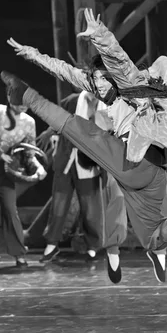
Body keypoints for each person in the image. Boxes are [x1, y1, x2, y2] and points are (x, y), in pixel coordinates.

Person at [1, 12, 167, 282]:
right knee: (150, 231)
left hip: (138, 161)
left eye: (103, 79)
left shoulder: (128, 81)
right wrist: (32, 53)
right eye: (95, 81)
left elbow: (119, 57)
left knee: (78, 130)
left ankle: (25, 93)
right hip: (131, 165)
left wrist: (98, 32)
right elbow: (63, 70)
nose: (99, 85)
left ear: (111, 76)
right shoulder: (94, 85)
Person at [39, 90, 127, 283]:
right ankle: (52, 244)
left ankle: (92, 246)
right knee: (59, 204)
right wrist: (48, 132)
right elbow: (56, 119)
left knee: (91, 208)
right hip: (66, 160)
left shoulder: (108, 108)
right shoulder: (72, 101)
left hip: (88, 164)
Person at [0, 89, 47, 272]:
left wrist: (38, 167)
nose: (22, 105)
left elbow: (29, 151)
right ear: (8, 97)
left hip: (7, 171)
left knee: (10, 210)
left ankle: (19, 253)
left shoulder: (29, 122)